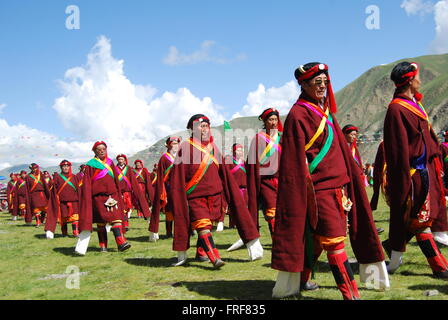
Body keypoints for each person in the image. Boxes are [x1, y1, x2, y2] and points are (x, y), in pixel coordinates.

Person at [271, 62, 389, 300]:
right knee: (335, 241)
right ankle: (351, 295)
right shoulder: (298, 114)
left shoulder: (324, 111)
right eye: (317, 82)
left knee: (316, 238)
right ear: (304, 85)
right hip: (319, 190)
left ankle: (302, 280)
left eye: (325, 82)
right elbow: (294, 159)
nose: (323, 86)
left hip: (339, 188)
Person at [168, 114, 263, 268]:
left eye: (206, 125)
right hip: (195, 196)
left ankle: (201, 252)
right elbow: (178, 176)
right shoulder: (185, 147)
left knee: (207, 226)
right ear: (192, 128)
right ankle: (215, 258)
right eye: (200, 125)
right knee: (203, 225)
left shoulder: (213, 148)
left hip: (215, 197)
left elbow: (224, 173)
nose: (204, 129)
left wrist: (229, 193)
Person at [382, 61, 448, 278]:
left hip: (427, 170)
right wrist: (402, 180)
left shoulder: (416, 105)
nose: (421, 79)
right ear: (410, 79)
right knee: (420, 221)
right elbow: (397, 149)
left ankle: (391, 247)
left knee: (412, 220)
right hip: (414, 174)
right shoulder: (396, 109)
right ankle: (439, 267)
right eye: (418, 75)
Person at [77, 141, 131, 253]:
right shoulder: (90, 165)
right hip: (98, 197)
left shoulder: (110, 163)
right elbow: (86, 183)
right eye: (99, 149)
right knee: (101, 222)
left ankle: (121, 243)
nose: (102, 151)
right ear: (95, 151)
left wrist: (118, 192)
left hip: (113, 195)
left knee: (116, 219)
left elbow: (116, 179)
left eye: (104, 149)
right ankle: (103, 246)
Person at [246, 108, 282, 239]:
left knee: (283, 212)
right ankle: (276, 240)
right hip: (266, 182)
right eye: (271, 120)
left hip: (282, 181)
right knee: (271, 211)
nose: (273, 123)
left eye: (275, 120)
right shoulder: (258, 139)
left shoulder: (281, 138)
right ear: (265, 122)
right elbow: (252, 162)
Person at [149, 136, 181, 240]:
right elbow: (161, 176)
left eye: (177, 143)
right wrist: (162, 189)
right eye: (173, 143)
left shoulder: (181, 157)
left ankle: (185, 231)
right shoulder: (164, 158)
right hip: (169, 188)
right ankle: (168, 231)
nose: (175, 145)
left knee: (181, 209)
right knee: (170, 210)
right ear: (168, 145)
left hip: (181, 187)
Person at [45, 160, 81, 238]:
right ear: (61, 167)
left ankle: (75, 232)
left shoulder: (74, 177)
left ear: (69, 167)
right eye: (64, 166)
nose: (66, 168)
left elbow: (78, 189)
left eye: (67, 166)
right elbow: (54, 190)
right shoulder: (57, 177)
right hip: (62, 202)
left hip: (74, 200)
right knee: (64, 218)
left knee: (75, 217)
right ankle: (64, 233)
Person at [115, 154, 151, 231]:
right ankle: (122, 225)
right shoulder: (114, 169)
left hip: (127, 193)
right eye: (119, 159)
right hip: (118, 192)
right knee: (119, 209)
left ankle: (125, 224)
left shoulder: (129, 169)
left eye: (122, 159)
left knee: (127, 208)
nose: (120, 161)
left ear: (124, 160)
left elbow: (133, 181)